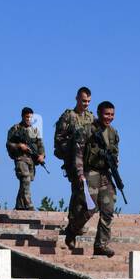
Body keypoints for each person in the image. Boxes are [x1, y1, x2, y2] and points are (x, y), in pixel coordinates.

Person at [65, 101, 120, 256]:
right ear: (99, 113)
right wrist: (80, 174)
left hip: (105, 174)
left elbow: (114, 153)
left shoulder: (113, 133)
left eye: (112, 114)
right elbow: (78, 154)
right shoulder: (87, 130)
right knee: (89, 209)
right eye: (106, 114)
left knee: (108, 210)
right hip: (90, 172)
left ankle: (101, 245)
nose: (109, 117)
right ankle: (72, 229)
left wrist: (115, 161)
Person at [53, 87, 95, 248]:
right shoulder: (68, 116)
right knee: (78, 189)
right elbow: (58, 140)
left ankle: (75, 223)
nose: (86, 104)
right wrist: (70, 150)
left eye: (89, 102)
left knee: (84, 192)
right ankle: (74, 224)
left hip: (88, 161)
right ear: (77, 98)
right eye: (84, 101)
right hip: (72, 160)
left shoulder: (91, 117)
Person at [5, 107, 45, 210]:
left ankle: (19, 206)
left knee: (26, 182)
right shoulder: (15, 129)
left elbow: (40, 145)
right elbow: (9, 144)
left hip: (31, 160)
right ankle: (29, 205)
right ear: (23, 116)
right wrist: (19, 146)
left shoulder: (35, 130)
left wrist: (42, 155)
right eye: (27, 117)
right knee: (25, 179)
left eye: (31, 117)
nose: (29, 119)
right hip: (20, 158)